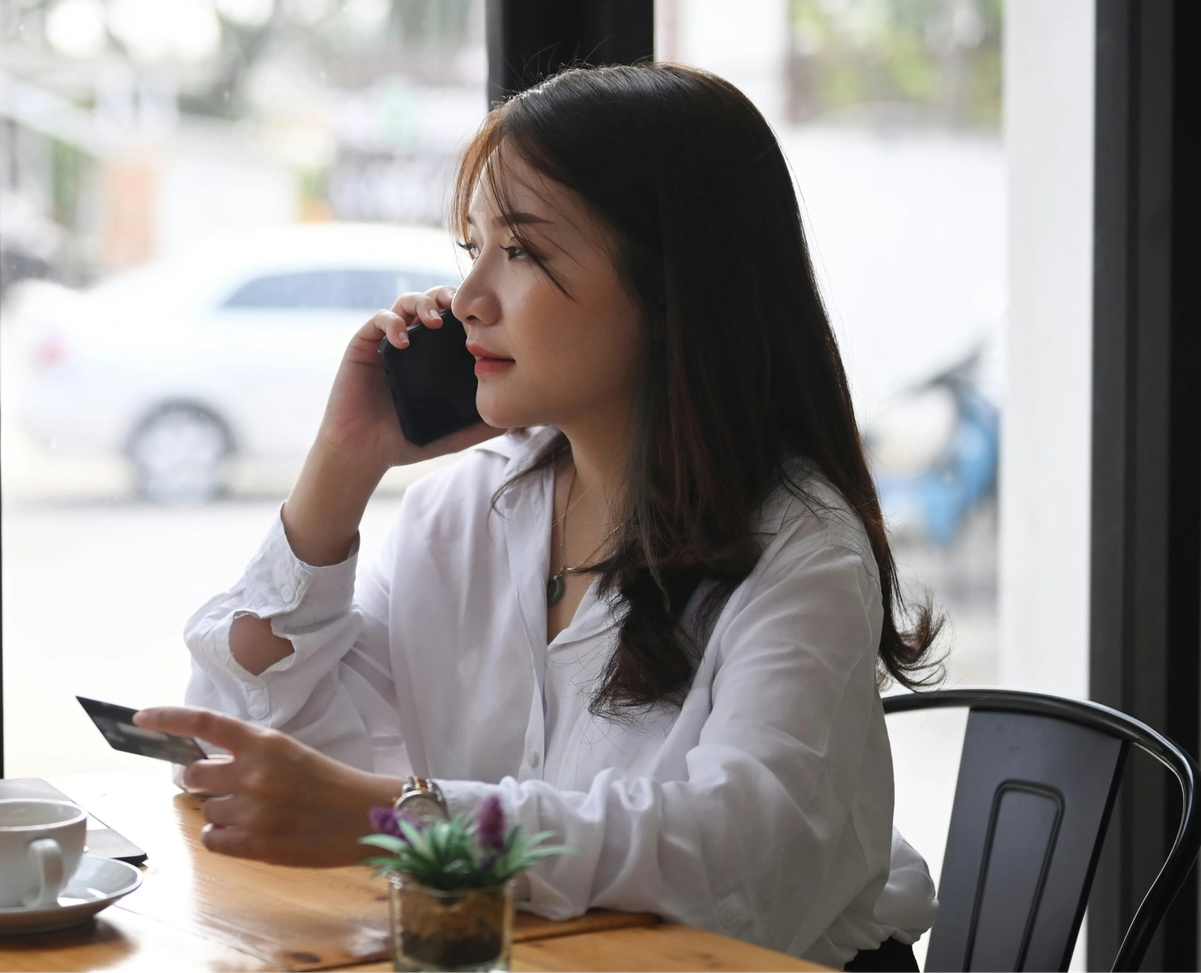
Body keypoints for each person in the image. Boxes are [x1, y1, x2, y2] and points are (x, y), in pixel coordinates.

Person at [135, 62, 941, 971]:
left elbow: (739, 856)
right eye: (470, 246)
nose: (469, 297)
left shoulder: (801, 548)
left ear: (674, 285)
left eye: (520, 251)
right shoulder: (464, 509)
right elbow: (235, 765)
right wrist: (340, 466)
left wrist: (393, 818)